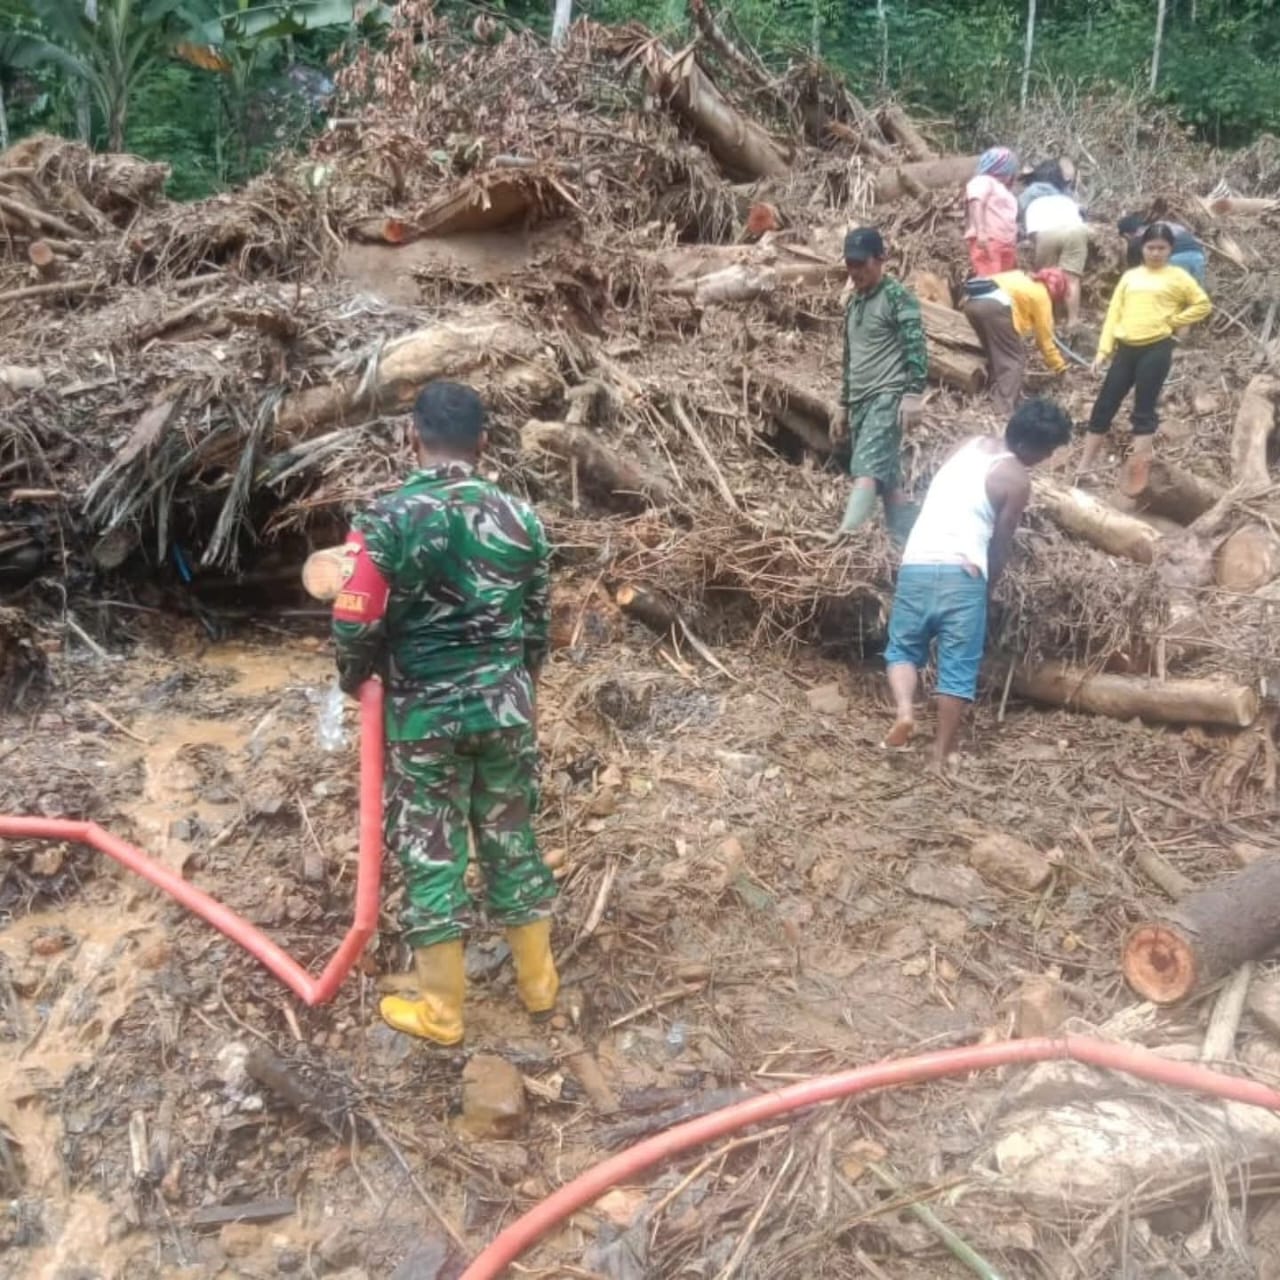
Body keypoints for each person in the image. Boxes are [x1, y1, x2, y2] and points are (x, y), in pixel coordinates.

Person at [331, 380, 559, 1046]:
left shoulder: (383, 519)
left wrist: (357, 680)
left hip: (423, 718)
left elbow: (354, 622)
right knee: (511, 837)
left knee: (433, 854)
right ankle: (539, 986)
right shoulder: (524, 520)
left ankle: (442, 1013)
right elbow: (538, 625)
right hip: (506, 710)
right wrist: (517, 689)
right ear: (484, 442)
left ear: (412, 435)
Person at [882, 399, 1073, 765]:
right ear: (1029, 446)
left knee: (902, 650)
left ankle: (905, 711)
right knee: (958, 667)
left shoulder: (966, 444)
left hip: (917, 561)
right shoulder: (1016, 479)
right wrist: (987, 588)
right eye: (1047, 450)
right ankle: (941, 754)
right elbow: (1000, 543)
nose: (1047, 457)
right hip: (963, 571)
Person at [1084, 223, 1212, 488]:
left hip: (1157, 348)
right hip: (1126, 348)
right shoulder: (1130, 277)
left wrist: (1175, 320)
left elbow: (1202, 304)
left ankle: (1137, 478)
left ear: (1170, 250)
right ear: (1142, 248)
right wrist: (1102, 351)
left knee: (1144, 410)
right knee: (1105, 405)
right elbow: (1113, 315)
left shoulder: (1178, 276)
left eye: (1161, 248)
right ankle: (1083, 468)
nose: (1155, 253)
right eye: (1150, 247)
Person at [834, 226, 928, 543]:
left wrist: (913, 394)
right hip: (860, 400)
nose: (855, 271)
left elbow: (915, 347)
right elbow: (850, 358)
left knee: (867, 470)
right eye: (850, 264)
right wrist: (842, 405)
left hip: (886, 398)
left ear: (881, 259)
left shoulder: (896, 297)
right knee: (888, 480)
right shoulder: (855, 304)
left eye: (862, 263)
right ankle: (909, 540)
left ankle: (845, 541)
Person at [962, 268, 1070, 415]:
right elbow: (1045, 341)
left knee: (994, 351)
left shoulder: (1020, 277)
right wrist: (1060, 367)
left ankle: (992, 390)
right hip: (995, 307)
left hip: (971, 304)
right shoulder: (1042, 296)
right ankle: (1002, 408)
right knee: (1014, 359)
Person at [1021, 167, 1088, 333]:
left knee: (1047, 277)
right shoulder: (1065, 198)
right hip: (1075, 230)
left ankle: (1049, 319)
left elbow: (1027, 231)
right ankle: (1072, 321)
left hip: (1046, 231)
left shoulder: (1029, 199)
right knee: (1072, 278)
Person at [965, 147, 1019, 278]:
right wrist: (981, 231)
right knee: (991, 281)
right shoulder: (983, 180)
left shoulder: (1001, 188)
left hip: (1005, 243)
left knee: (1004, 284)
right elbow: (976, 201)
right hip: (989, 240)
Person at [1118, 214, 1207, 285]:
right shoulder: (1164, 224)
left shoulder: (1139, 238)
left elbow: (1135, 271)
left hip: (1175, 258)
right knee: (1196, 293)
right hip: (1198, 255)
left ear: (1126, 235)